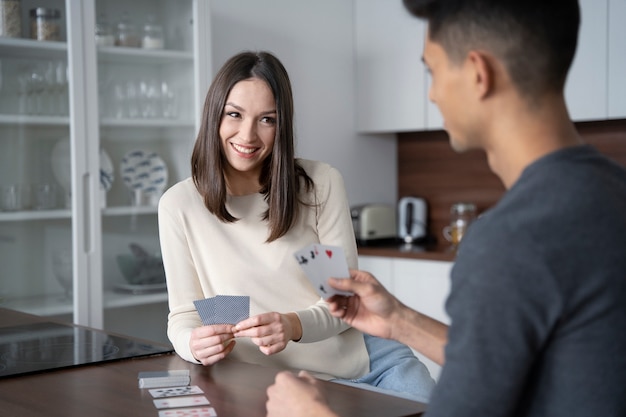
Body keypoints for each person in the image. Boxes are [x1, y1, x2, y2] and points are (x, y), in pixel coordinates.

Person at [266, 0, 626, 416]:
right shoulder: (611, 191)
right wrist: (400, 320)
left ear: (478, 73)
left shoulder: (509, 239)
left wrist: (311, 412)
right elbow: (536, 360)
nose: (433, 93)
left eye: (432, 71)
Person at [158, 50, 435, 402]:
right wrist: (193, 345)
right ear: (214, 115)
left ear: (282, 125)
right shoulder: (180, 205)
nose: (248, 134)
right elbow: (184, 316)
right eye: (234, 114)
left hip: (361, 357)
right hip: (266, 375)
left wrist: (292, 325)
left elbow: (341, 303)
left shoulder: (319, 184)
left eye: (267, 119)